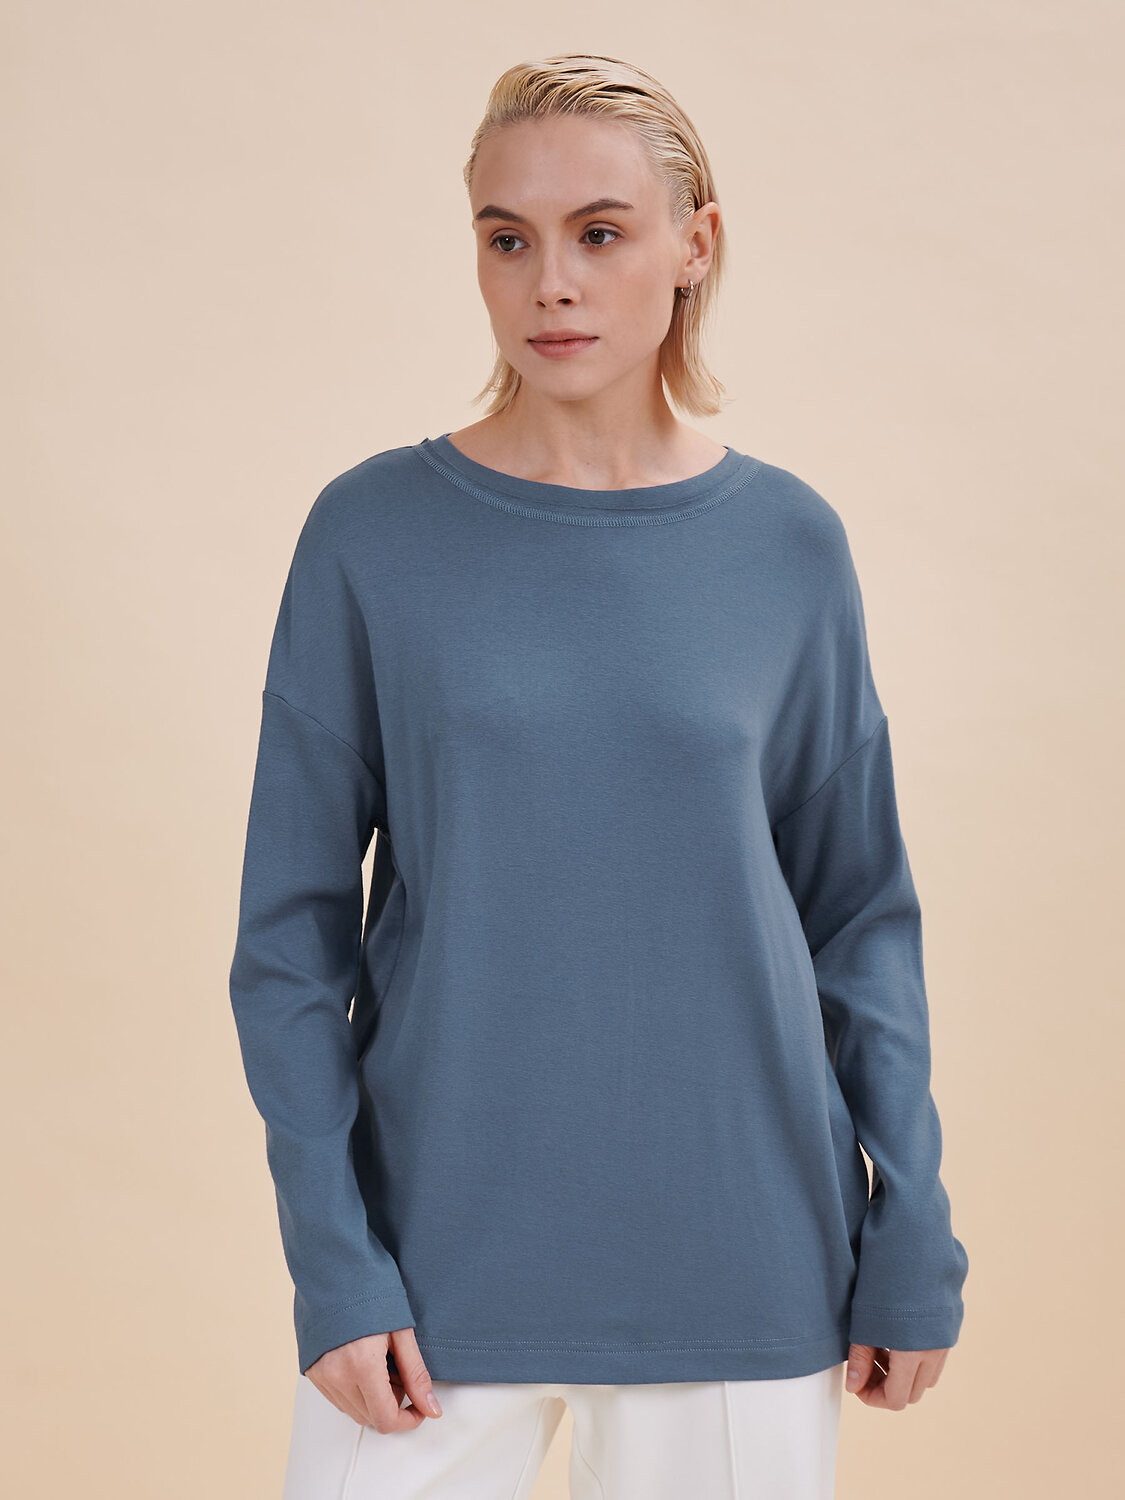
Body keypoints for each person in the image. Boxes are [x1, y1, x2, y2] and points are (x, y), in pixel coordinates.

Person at [228, 53, 969, 1499]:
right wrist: (331, 1259)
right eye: (507, 238)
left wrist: (914, 1228)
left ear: (694, 244)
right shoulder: (371, 535)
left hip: (744, 1257)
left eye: (600, 233)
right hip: (429, 1267)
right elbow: (289, 943)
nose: (550, 283)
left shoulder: (788, 547)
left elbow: (860, 917)